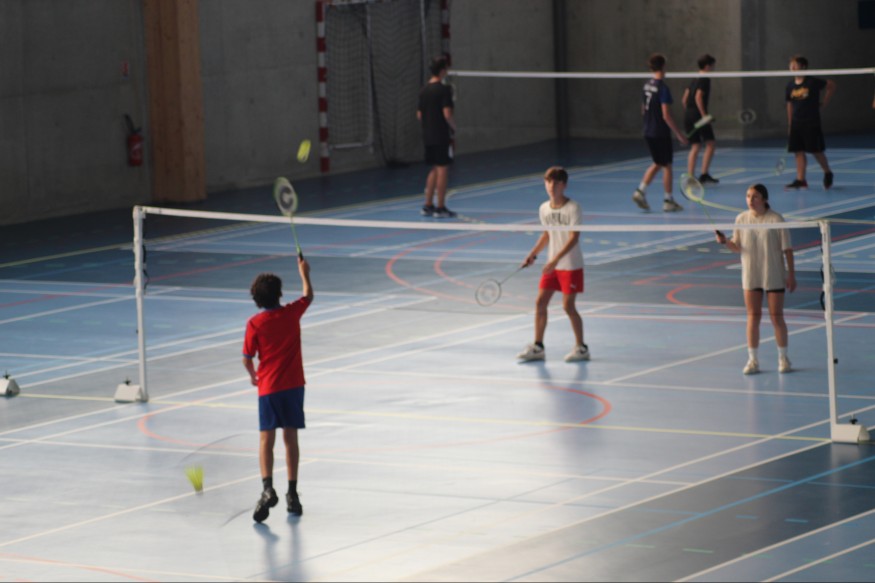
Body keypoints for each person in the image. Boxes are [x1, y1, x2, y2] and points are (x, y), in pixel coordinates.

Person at [243, 256, 313, 522]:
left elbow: (247, 358)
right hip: (294, 386)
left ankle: (267, 488)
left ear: (256, 298)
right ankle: (292, 494)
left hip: (269, 388)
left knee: (266, 440)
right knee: (290, 438)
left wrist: (254, 376)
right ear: (279, 294)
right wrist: (304, 272)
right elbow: (308, 296)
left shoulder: (254, 324)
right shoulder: (292, 313)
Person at [716, 184, 796, 374]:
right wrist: (725, 242)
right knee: (753, 317)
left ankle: (783, 358)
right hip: (751, 274)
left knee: (777, 317)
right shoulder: (741, 219)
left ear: (764, 199)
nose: (751, 200)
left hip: (773, 274)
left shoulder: (776, 219)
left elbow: (787, 250)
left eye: (755, 196)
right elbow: (737, 247)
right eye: (748, 196)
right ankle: (753, 360)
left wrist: (791, 274)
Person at [517, 166, 590, 363]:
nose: (551, 186)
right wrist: (533, 254)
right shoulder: (544, 208)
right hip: (553, 265)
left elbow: (574, 238)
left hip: (570, 265)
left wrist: (555, 259)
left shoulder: (573, 208)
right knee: (540, 302)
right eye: (548, 182)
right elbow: (547, 234)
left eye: (556, 183)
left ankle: (581, 348)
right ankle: (538, 347)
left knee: (568, 306)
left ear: (564, 185)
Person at [633, 53, 689, 213]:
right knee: (667, 165)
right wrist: (679, 134)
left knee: (658, 162)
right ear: (663, 67)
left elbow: (643, 109)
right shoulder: (663, 88)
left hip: (648, 131)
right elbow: (666, 115)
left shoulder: (646, 85)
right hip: (660, 132)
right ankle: (668, 200)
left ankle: (640, 191)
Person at [784, 55, 836, 190]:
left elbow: (831, 85)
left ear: (803, 67)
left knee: (816, 151)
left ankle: (827, 172)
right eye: (791, 65)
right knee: (798, 151)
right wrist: (790, 123)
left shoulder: (812, 82)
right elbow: (789, 105)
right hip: (796, 123)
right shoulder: (790, 85)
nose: (792, 67)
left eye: (795, 64)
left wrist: (824, 103)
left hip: (811, 122)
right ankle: (800, 180)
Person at [417, 55, 457, 218]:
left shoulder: (423, 90)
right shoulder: (444, 90)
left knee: (434, 168)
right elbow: (447, 113)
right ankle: (440, 207)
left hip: (427, 135)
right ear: (442, 71)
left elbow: (419, 115)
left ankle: (428, 205)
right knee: (442, 170)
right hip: (440, 135)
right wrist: (454, 127)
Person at [682, 54, 718, 184]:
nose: (713, 68)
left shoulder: (694, 79)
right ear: (707, 66)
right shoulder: (704, 79)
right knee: (710, 143)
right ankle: (704, 174)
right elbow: (698, 97)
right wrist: (704, 116)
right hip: (698, 116)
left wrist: (690, 113)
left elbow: (684, 99)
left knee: (695, 146)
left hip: (688, 115)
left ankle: (691, 177)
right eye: (713, 66)